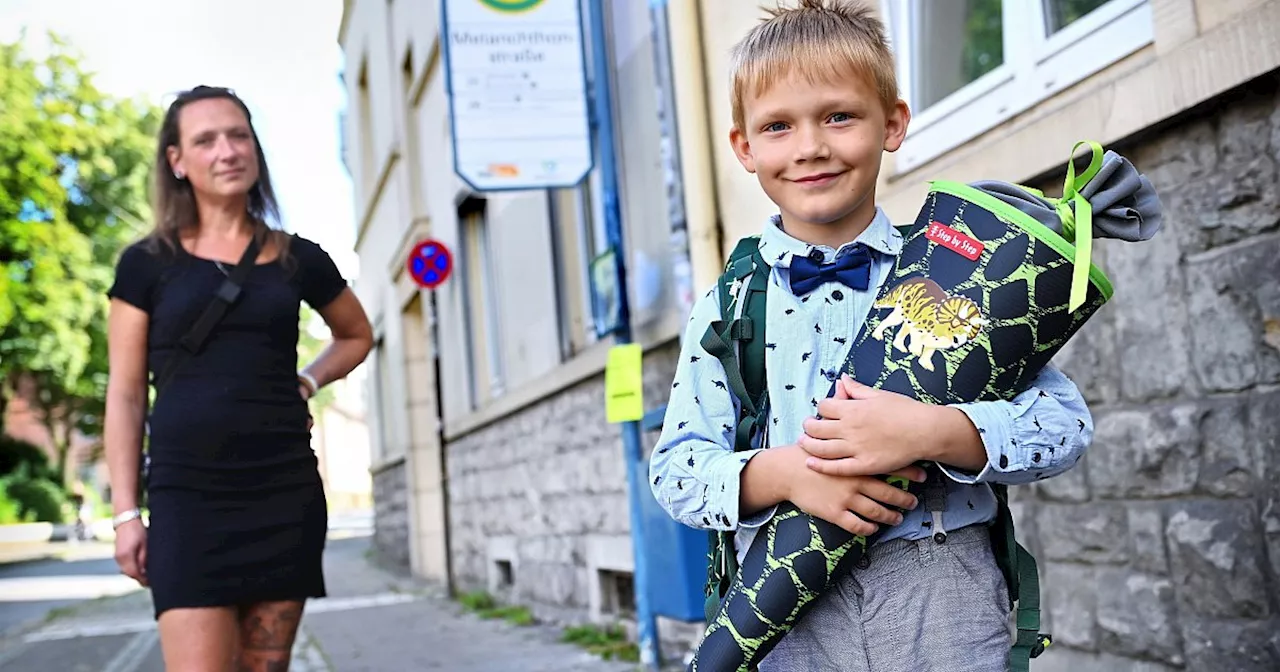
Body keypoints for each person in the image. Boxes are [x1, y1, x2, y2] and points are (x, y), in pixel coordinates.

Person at [649, 2, 1094, 670]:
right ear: (744, 147)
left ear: (892, 124)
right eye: (778, 126)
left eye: (839, 116)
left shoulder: (954, 271)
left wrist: (937, 433)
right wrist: (784, 475)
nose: (811, 147)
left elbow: (1064, 428)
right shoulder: (730, 303)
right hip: (785, 608)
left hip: (941, 593)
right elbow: (677, 471)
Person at [103, 85, 374, 672]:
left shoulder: (297, 257)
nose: (227, 150)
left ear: (255, 147)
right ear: (177, 161)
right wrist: (126, 513)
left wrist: (306, 381)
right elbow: (124, 395)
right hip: (187, 499)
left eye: (238, 135)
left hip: (282, 491)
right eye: (206, 140)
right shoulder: (146, 263)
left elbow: (357, 335)